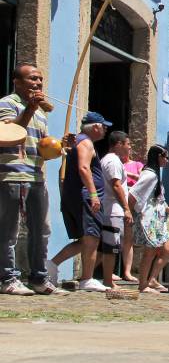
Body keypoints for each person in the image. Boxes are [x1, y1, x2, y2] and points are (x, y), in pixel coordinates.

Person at [0, 63, 65, 295]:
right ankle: (8, 278)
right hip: (11, 174)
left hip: (36, 175)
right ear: (17, 82)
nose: (37, 83)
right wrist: (30, 108)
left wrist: (60, 147)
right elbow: (10, 133)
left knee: (41, 230)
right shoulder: (7, 103)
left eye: (40, 79)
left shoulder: (40, 112)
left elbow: (41, 149)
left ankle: (39, 278)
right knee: (8, 230)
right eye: (32, 79)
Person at [49, 112, 114, 292]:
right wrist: (94, 195)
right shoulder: (86, 142)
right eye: (104, 126)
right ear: (95, 127)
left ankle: (52, 265)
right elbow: (84, 168)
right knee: (91, 237)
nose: (106, 129)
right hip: (86, 197)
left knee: (86, 239)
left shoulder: (78, 142)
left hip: (77, 196)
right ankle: (87, 278)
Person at [130, 145, 169, 294]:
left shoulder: (155, 175)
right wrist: (130, 212)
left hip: (159, 219)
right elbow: (133, 195)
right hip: (149, 218)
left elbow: (159, 200)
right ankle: (143, 285)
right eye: (166, 157)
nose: (167, 160)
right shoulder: (150, 175)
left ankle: (151, 279)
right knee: (150, 252)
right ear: (158, 157)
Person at [99, 131, 133, 290]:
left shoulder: (111, 160)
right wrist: (126, 208)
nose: (130, 147)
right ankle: (107, 280)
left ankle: (102, 277)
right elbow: (116, 185)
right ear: (118, 144)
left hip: (112, 208)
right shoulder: (113, 161)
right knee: (111, 246)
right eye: (127, 144)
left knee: (109, 246)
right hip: (112, 209)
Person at [120, 145, 143, 282]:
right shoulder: (115, 163)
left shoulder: (137, 164)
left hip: (132, 202)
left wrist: (126, 174)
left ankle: (127, 272)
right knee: (115, 237)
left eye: (129, 148)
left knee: (128, 238)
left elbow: (142, 178)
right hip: (119, 200)